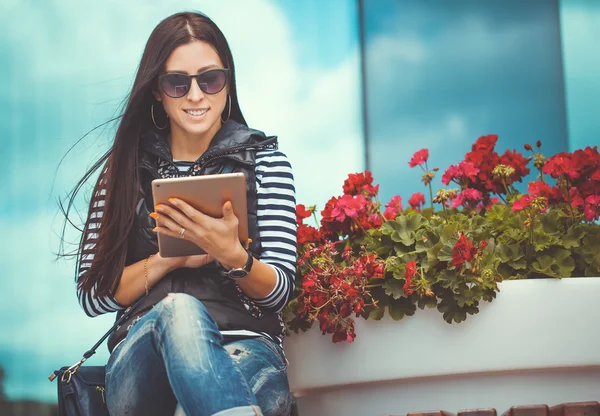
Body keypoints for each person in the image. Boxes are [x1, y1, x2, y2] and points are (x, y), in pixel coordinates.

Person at [66, 11, 297, 416]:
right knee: (178, 310)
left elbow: (279, 291)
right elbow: (93, 294)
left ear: (227, 83)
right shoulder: (122, 171)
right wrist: (165, 261)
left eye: (210, 79)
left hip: (245, 346)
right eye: (178, 83)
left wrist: (233, 257)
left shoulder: (267, 162)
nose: (195, 96)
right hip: (143, 359)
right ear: (157, 90)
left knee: (224, 382)